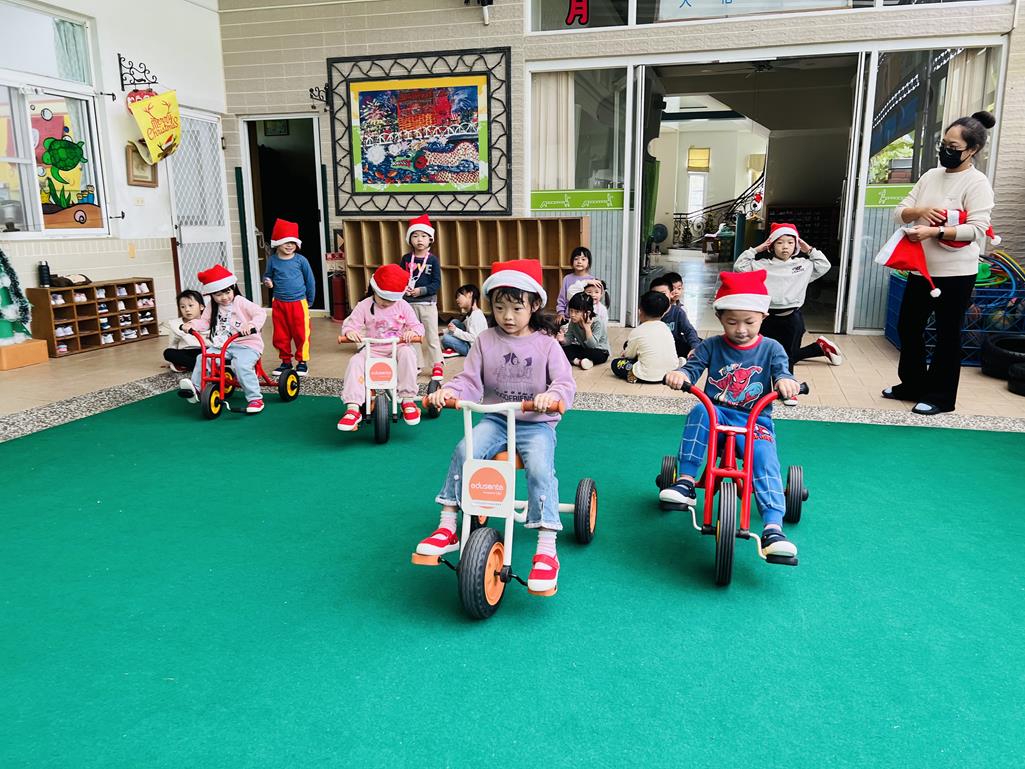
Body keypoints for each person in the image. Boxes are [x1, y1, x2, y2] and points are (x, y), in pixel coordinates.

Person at [418, 259, 576, 595]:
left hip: (535, 423)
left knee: (540, 469)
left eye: (517, 308)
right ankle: (448, 524)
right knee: (465, 450)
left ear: (535, 305)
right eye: (500, 307)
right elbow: (469, 381)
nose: (508, 316)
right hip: (497, 418)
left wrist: (551, 396)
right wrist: (449, 391)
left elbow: (565, 382)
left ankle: (546, 548)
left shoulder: (546, 344)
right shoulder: (485, 340)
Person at [660, 270, 800, 558]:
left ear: (763, 317)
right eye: (732, 322)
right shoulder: (712, 345)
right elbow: (692, 368)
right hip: (718, 415)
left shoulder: (772, 348)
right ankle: (686, 481)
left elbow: (783, 373)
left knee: (764, 458)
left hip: (755, 420)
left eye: (749, 321)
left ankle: (773, 527)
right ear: (720, 318)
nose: (741, 329)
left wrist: (786, 383)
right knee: (700, 410)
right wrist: (681, 374)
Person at [886, 111, 997, 416]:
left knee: (948, 334)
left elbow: (977, 229)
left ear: (972, 150)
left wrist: (935, 231)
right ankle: (912, 384)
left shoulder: (977, 183)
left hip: (956, 274)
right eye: (943, 144)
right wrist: (920, 211)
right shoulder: (930, 176)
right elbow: (900, 212)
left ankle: (941, 397)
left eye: (953, 147)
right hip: (921, 269)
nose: (946, 151)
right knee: (908, 327)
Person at [734, 222, 842, 374]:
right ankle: (818, 348)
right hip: (765, 318)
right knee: (763, 354)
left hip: (792, 319)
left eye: (790, 243)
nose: (785, 247)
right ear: (771, 246)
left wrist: (809, 249)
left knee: (788, 357)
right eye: (779, 242)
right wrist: (757, 249)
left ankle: (787, 385)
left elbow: (824, 265)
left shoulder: (803, 265)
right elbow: (739, 267)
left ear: (796, 245)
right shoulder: (761, 265)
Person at [337, 264, 424, 431]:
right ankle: (353, 408)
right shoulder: (364, 305)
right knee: (355, 361)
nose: (386, 303)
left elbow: (418, 326)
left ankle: (407, 400)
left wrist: (412, 332)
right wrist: (350, 332)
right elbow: (351, 325)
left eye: (391, 300)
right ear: (374, 290)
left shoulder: (403, 305)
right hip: (373, 349)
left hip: (397, 348)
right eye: (383, 298)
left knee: (408, 353)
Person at [178, 265, 268, 414]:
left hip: (247, 345)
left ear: (233, 288)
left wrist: (251, 324)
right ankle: (197, 389)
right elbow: (205, 322)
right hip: (223, 345)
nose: (224, 297)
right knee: (203, 357)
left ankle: (255, 399)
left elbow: (260, 313)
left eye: (227, 292)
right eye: (218, 295)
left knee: (241, 365)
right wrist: (192, 324)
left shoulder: (240, 301)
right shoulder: (212, 306)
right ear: (211, 295)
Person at [262, 218, 316, 377]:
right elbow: (267, 276)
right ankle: (285, 361)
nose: (290, 245)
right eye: (286, 242)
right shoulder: (272, 260)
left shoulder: (301, 260)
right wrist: (267, 281)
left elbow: (310, 280)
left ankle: (302, 362)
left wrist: (309, 300)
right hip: (279, 303)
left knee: (301, 333)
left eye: (293, 242)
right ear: (277, 242)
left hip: (298, 303)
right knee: (280, 334)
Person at [399, 214, 444, 379]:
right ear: (409, 239)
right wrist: (404, 288)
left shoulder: (433, 260)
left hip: (428, 304)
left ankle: (437, 364)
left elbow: (436, 283)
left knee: (432, 335)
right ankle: (416, 363)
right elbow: (400, 278)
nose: (419, 239)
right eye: (415, 236)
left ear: (430, 239)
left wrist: (421, 291)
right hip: (408, 304)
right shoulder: (406, 259)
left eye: (424, 236)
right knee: (412, 335)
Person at [611, 290, 679, 383]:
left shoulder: (637, 331)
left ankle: (633, 374)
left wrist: (625, 353)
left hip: (646, 375)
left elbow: (629, 355)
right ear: (664, 313)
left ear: (640, 311)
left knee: (615, 363)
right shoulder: (665, 328)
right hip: (669, 373)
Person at [649, 275, 701, 359]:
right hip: (654, 348)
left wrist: (694, 347)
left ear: (671, 294)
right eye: (656, 295)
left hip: (674, 347)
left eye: (663, 294)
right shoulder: (648, 312)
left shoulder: (678, 312)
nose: (659, 298)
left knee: (698, 343)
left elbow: (689, 330)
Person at [560, 290, 610, 369]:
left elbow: (592, 346)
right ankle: (579, 362)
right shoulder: (573, 322)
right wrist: (563, 340)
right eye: (571, 311)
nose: (572, 315)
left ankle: (577, 360)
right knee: (562, 348)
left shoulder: (597, 322)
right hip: (584, 349)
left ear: (588, 313)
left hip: (599, 350)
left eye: (577, 312)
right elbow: (569, 339)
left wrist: (587, 328)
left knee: (596, 354)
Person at [161, 289, 204, 372]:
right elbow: (173, 344)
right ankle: (202, 366)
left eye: (191, 305)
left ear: (201, 307)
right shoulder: (175, 324)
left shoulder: (207, 321)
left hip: (205, 350)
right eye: (183, 307)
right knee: (168, 353)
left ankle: (194, 366)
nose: (187, 309)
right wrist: (172, 360)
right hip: (187, 351)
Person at [441, 284, 488, 358]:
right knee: (455, 322)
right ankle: (454, 348)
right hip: (469, 343)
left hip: (473, 349)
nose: (457, 300)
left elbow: (474, 338)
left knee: (445, 339)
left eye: (459, 296)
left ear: (470, 294)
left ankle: (453, 349)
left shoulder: (476, 316)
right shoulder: (471, 314)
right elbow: (462, 326)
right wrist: (444, 331)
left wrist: (455, 331)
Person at [555, 246, 596, 322]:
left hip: (584, 317)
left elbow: (595, 299)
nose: (579, 262)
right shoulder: (567, 278)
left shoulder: (592, 280)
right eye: (576, 259)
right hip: (569, 316)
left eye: (583, 259)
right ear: (572, 261)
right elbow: (562, 298)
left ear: (588, 263)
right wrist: (560, 313)